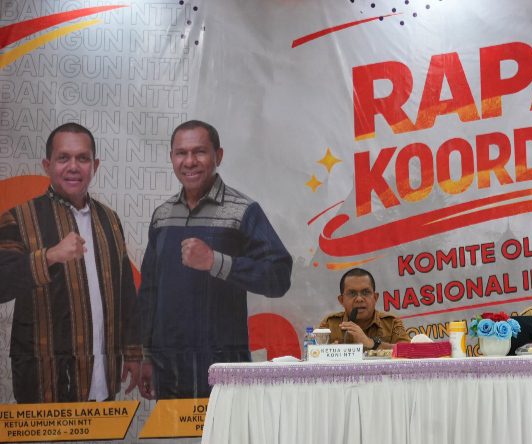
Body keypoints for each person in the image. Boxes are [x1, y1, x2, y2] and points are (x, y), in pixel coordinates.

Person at [138, 120, 292, 399]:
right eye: (181, 153)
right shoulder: (162, 215)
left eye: (199, 152)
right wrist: (146, 355)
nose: (189, 161)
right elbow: (149, 290)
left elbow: (278, 277)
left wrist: (216, 262)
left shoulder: (243, 211)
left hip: (224, 368)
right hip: (169, 370)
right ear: (171, 158)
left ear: (218, 156)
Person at [0, 123, 142, 403]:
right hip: (44, 379)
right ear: (47, 165)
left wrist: (134, 352)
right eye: (63, 158)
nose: (73, 167)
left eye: (83, 158)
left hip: (102, 374)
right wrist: (49, 256)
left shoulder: (110, 220)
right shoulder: (19, 218)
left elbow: (126, 291)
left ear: (95, 165)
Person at [319, 268, 410, 350]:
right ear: (341, 300)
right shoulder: (330, 324)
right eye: (352, 293)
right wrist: (328, 352)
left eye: (366, 292)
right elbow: (314, 354)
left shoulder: (391, 323)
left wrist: (372, 343)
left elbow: (408, 350)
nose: (359, 299)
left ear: (375, 297)